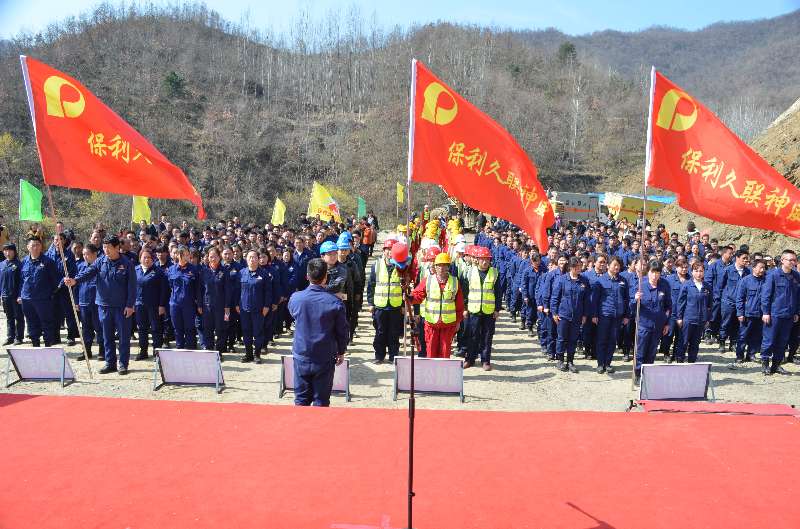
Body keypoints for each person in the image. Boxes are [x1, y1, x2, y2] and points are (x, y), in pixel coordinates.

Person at [66, 236, 137, 374]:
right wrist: (75, 280)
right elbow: (88, 273)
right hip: (103, 306)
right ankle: (110, 363)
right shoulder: (100, 261)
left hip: (121, 307)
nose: (106, 251)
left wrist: (130, 305)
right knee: (107, 336)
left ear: (117, 248)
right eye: (104, 248)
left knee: (123, 337)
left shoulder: (127, 263)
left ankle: (123, 364)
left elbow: (132, 286)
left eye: (109, 248)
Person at [288, 258, 348, 406]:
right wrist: (341, 351)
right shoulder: (335, 302)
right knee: (321, 401)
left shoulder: (296, 298)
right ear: (326, 277)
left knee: (301, 400)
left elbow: (293, 314)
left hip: (302, 354)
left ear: (307, 276)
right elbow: (342, 331)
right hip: (324, 356)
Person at [409, 252, 464, 358]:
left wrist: (458, 322)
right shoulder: (428, 280)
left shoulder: (455, 282)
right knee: (431, 351)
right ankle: (431, 374)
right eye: (439, 265)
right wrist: (409, 297)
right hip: (431, 324)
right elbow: (418, 295)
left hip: (448, 324)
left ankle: (443, 374)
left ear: (448, 266)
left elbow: (459, 305)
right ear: (435, 266)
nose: (441, 268)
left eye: (444, 265)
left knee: (445, 352)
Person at [759, 249, 800, 376]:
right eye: (790, 260)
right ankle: (765, 363)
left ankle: (776, 365)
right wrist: (765, 312)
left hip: (789, 315)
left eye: (794, 260)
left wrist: (796, 312)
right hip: (774, 314)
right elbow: (766, 295)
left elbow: (798, 296)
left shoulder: (796, 276)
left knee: (782, 341)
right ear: (782, 260)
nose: (793, 262)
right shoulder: (772, 275)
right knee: (769, 340)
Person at [366, 241, 408, 364]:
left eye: (392, 249)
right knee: (380, 332)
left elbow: (405, 288)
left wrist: (402, 305)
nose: (390, 252)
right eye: (387, 249)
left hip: (395, 306)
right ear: (383, 250)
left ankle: (393, 355)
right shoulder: (377, 265)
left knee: (394, 333)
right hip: (380, 306)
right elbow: (371, 285)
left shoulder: (402, 266)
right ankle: (379, 356)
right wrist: (370, 303)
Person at [462, 246, 501, 370]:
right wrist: (464, 308)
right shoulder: (469, 272)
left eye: (487, 260)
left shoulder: (494, 273)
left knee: (487, 336)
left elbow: (499, 292)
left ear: (490, 260)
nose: (485, 262)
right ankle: (470, 359)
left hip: (488, 311)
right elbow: (464, 291)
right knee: (472, 335)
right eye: (482, 259)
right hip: (473, 309)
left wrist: (497, 309)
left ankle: (485, 360)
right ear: (477, 260)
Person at [633, 260, 671, 384]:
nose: (655, 275)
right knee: (640, 352)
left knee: (652, 352)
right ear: (648, 272)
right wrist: (635, 300)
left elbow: (668, 306)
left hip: (658, 326)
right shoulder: (640, 285)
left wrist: (667, 323)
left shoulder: (664, 286)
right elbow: (630, 306)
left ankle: (647, 374)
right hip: (643, 325)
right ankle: (637, 374)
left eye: (657, 272)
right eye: (652, 272)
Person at [551, 257, 591, 373]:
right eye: (578, 267)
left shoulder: (584, 281)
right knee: (562, 338)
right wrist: (554, 312)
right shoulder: (562, 280)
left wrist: (584, 314)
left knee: (573, 339)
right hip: (563, 315)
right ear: (572, 267)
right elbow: (555, 297)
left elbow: (586, 300)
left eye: (580, 266)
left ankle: (570, 361)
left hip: (577, 316)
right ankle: (560, 360)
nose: (580, 268)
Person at [20, 236, 60, 347]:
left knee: (47, 323)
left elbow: (55, 281)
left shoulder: (48, 262)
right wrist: (20, 295)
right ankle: (35, 345)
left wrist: (50, 294)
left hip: (43, 300)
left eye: (38, 245)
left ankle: (48, 346)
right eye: (33, 245)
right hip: (27, 299)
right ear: (28, 247)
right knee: (32, 323)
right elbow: (20, 280)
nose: (35, 247)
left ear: (41, 246)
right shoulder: (23, 262)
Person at [592, 256, 629, 374]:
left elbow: (626, 299)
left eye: (618, 265)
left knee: (613, 340)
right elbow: (595, 300)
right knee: (602, 339)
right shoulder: (601, 280)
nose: (617, 267)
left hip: (617, 316)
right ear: (608, 265)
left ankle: (608, 363)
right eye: (614, 265)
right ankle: (600, 363)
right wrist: (594, 315)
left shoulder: (623, 281)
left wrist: (626, 316)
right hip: (604, 315)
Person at [235, 249, 272, 363]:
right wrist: (237, 304)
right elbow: (236, 291)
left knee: (258, 332)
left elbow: (268, 292)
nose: (252, 259)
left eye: (254, 257)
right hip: (244, 309)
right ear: (246, 259)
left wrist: (266, 306)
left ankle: (257, 354)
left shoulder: (264, 274)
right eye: (250, 257)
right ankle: (248, 354)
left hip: (259, 309)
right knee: (246, 332)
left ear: (258, 259)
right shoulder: (241, 273)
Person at [198, 246, 232, 358]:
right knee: (207, 329)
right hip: (206, 305)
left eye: (215, 256)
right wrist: (199, 305)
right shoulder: (203, 271)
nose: (213, 259)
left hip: (221, 306)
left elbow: (228, 290)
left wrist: (227, 306)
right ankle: (209, 350)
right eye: (210, 256)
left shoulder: (225, 271)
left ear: (219, 257)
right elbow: (200, 290)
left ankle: (219, 352)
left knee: (220, 329)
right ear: (207, 257)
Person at [135, 248, 168, 360]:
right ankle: (143, 351)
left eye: (149, 257)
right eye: (144, 257)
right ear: (140, 259)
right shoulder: (135, 270)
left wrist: (162, 305)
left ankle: (156, 352)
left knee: (156, 329)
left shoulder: (158, 272)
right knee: (142, 329)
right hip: (139, 305)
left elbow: (164, 290)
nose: (147, 259)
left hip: (154, 306)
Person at [676, 261, 712, 363]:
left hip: (701, 320)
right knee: (683, 342)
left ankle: (692, 362)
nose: (699, 273)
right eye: (696, 271)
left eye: (701, 271)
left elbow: (709, 305)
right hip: (688, 319)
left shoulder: (707, 287)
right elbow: (680, 303)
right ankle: (680, 361)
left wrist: (708, 319)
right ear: (692, 272)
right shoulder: (687, 285)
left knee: (695, 343)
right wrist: (679, 318)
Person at [166, 246, 201, 349]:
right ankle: (179, 347)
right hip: (175, 304)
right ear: (178, 255)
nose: (186, 256)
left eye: (187, 254)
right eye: (183, 254)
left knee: (189, 328)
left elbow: (198, 289)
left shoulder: (194, 269)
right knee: (177, 328)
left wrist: (199, 304)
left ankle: (190, 348)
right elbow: (169, 286)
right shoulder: (172, 269)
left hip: (189, 304)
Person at [734, 258, 766, 367]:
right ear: (754, 268)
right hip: (748, 314)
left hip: (760, 314)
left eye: (764, 268)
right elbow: (739, 298)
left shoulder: (766, 280)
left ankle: (751, 354)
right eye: (760, 267)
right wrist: (740, 313)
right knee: (743, 336)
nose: (762, 270)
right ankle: (739, 356)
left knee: (757, 336)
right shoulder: (745, 281)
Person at [75, 244, 103, 359]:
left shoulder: (100, 266)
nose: (85, 256)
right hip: (83, 302)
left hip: (97, 302)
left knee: (99, 327)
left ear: (95, 254)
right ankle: (87, 350)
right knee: (86, 328)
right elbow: (76, 285)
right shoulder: (81, 266)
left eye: (88, 254)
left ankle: (102, 351)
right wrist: (76, 301)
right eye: (84, 254)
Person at [0, 243, 24, 345]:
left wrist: (20, 295)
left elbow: (22, 282)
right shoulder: (1, 264)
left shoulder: (19, 264)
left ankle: (19, 337)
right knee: (9, 317)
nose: (7, 253)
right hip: (5, 296)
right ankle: (10, 336)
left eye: (10, 250)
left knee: (18, 317)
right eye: (5, 250)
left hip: (15, 296)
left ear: (14, 252)